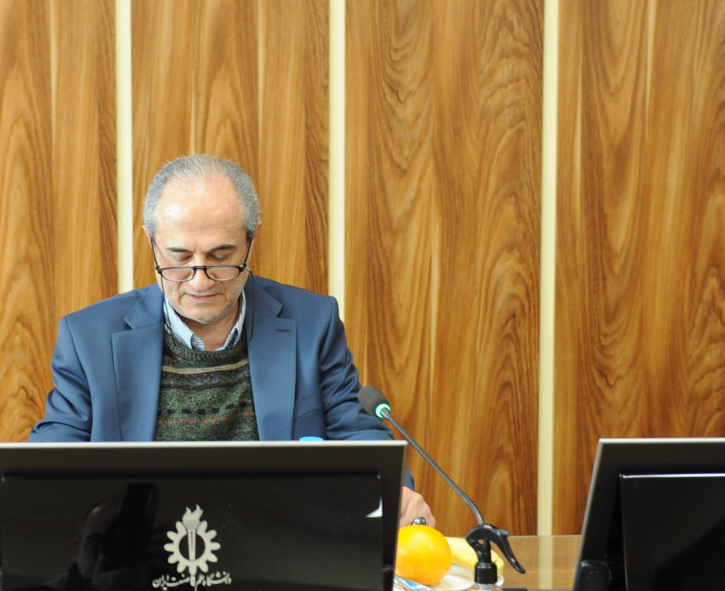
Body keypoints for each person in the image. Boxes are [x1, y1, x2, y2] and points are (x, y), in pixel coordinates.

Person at [30, 153, 434, 524]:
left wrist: (395, 494)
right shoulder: (89, 339)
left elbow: (357, 434)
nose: (200, 281)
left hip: (280, 549)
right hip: (135, 551)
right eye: (179, 258)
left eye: (221, 257)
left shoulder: (313, 323)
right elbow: (52, 461)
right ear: (151, 240)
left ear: (251, 239)